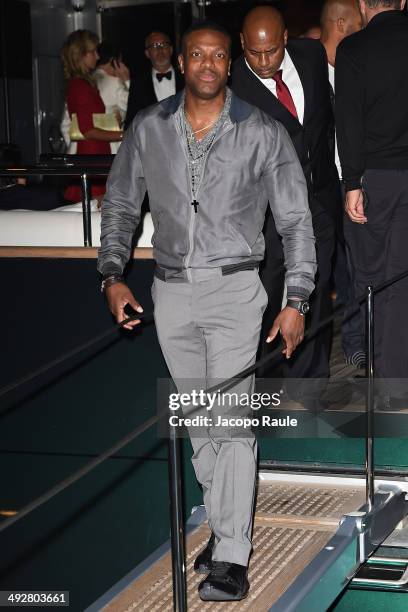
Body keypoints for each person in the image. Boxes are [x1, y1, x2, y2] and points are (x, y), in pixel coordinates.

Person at [98, 21, 316, 602]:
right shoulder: (149, 128)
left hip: (236, 293)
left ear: (232, 61)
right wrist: (112, 276)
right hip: (169, 294)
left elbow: (296, 222)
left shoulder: (263, 132)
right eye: (197, 55)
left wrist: (297, 300)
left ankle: (232, 556)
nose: (208, 65)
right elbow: (121, 204)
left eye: (219, 56)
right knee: (199, 423)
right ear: (184, 60)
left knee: (231, 420)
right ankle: (224, 525)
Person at [231, 6, 338, 403]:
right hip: (267, 212)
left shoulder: (311, 56)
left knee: (316, 285)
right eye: (254, 53)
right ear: (242, 45)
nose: (262, 62)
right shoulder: (234, 83)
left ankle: (310, 386)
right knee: (266, 292)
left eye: (271, 52)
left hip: (320, 201)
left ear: (286, 39)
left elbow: (326, 122)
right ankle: (266, 385)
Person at [335, 0, 408, 403]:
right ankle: (397, 380)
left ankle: (386, 381)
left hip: (374, 180)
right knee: (401, 278)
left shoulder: (354, 49)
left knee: (372, 278)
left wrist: (351, 184)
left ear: (363, 5)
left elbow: (349, 122)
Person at [320, 0, 364, 367]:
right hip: (317, 188)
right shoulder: (305, 70)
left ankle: (355, 343)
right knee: (328, 271)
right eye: (360, 23)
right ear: (341, 23)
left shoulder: (358, 67)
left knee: (355, 266)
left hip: (352, 183)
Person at [61, 30, 123, 202]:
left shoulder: (83, 83)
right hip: (91, 154)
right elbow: (86, 130)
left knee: (97, 212)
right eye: (93, 52)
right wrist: (123, 135)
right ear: (81, 55)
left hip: (96, 152)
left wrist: (111, 122)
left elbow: (89, 121)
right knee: (94, 211)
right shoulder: (79, 86)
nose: (97, 56)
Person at [124, 31, 184, 128]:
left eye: (164, 44)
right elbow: (132, 120)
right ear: (147, 53)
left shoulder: (186, 78)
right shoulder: (138, 84)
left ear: (171, 49)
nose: (160, 49)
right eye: (154, 46)